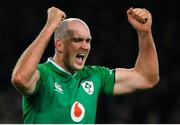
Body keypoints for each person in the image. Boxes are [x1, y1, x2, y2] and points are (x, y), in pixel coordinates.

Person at [11, 6, 159, 124]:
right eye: (77, 40)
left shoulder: (94, 76)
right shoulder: (43, 75)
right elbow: (20, 78)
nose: (85, 46)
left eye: (88, 41)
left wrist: (144, 34)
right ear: (60, 45)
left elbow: (146, 77)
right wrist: (50, 26)